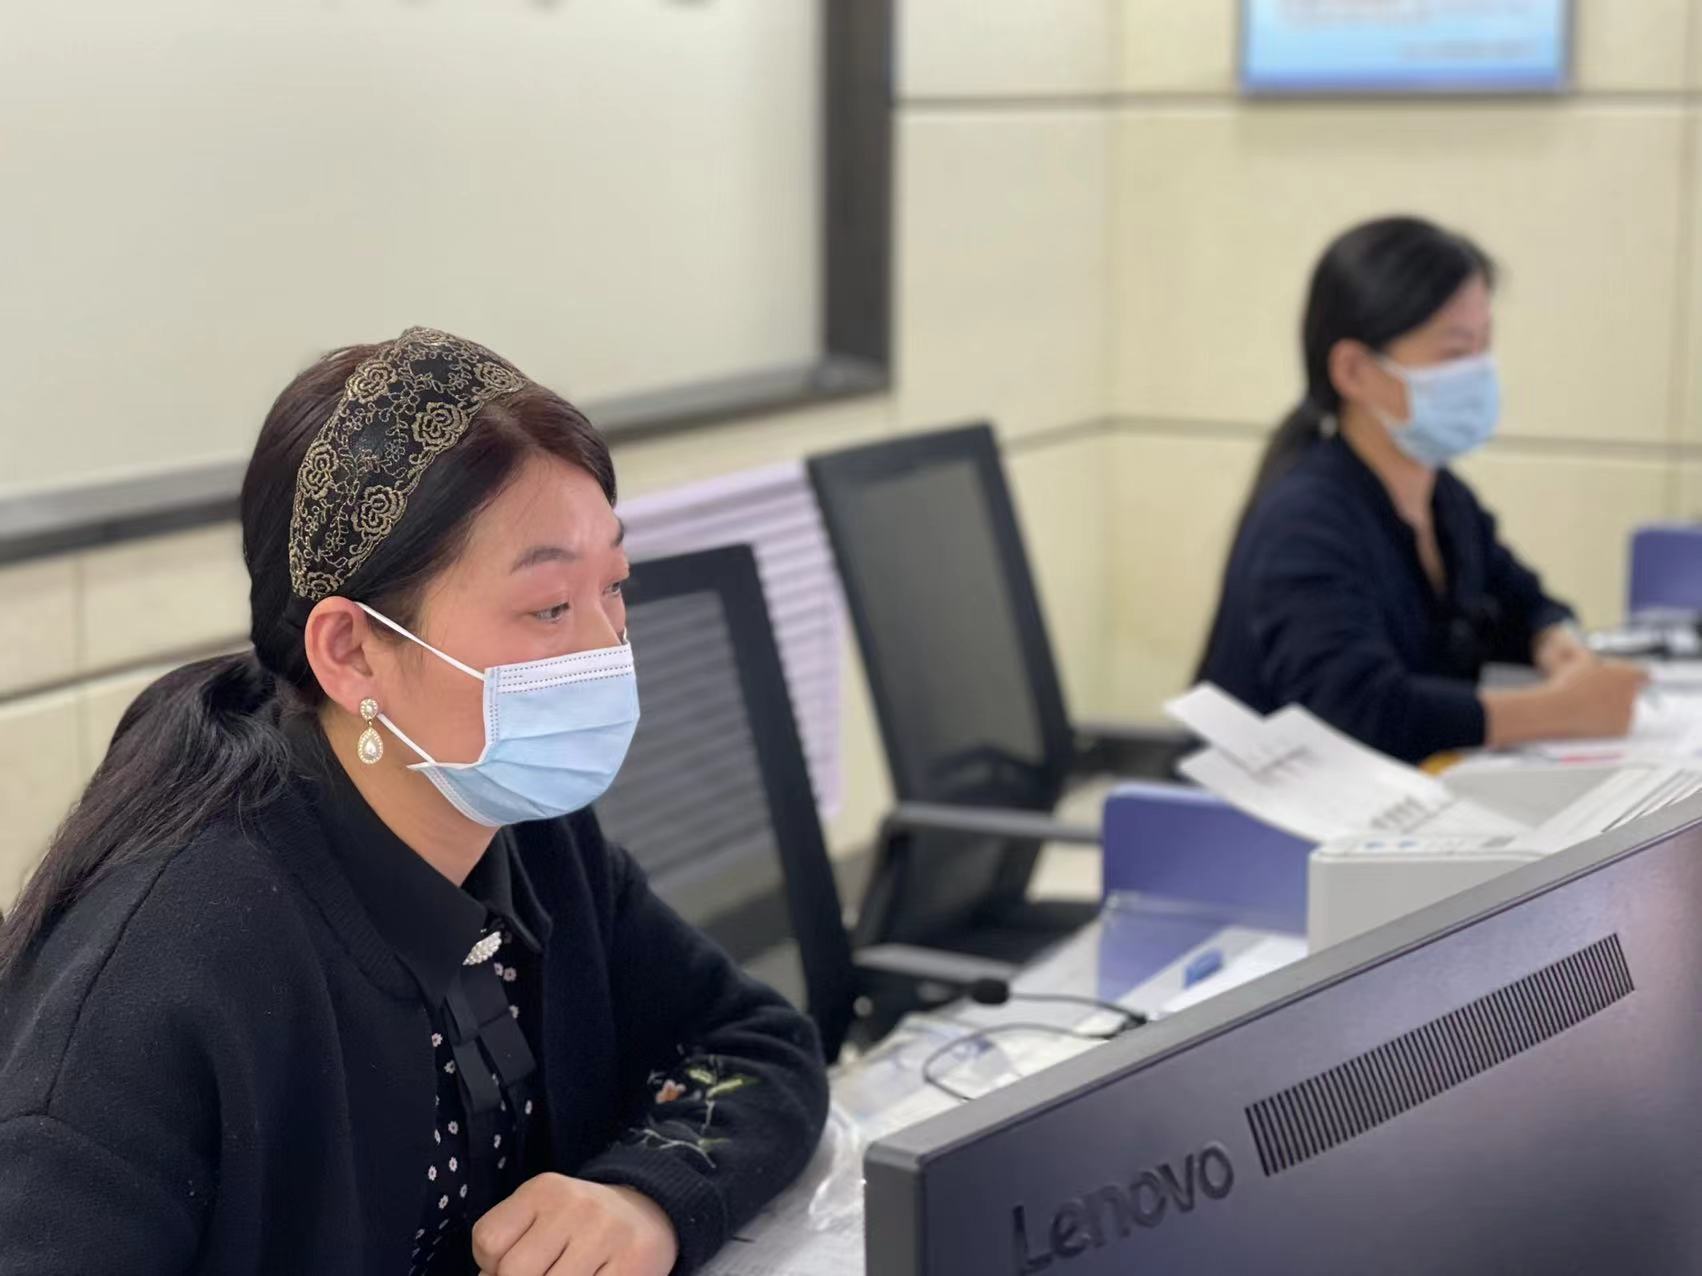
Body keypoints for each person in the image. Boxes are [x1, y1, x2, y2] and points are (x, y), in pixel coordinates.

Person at [0, 328, 828, 1275]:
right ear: (351, 652)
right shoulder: (175, 969)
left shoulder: (525, 827)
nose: (607, 650)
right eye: (550, 608)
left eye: (614, 587)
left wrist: (643, 1198)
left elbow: (755, 1045)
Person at [1196, 217, 1645, 764]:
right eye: (1455, 352)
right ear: (1354, 371)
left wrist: (1554, 640)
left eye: (1484, 346)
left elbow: (1525, 603)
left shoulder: (1444, 499)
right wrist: (1561, 710)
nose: (1479, 373)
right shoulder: (1305, 521)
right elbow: (1360, 712)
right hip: (1265, 811)